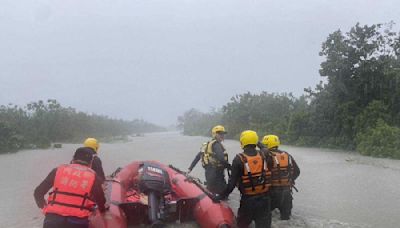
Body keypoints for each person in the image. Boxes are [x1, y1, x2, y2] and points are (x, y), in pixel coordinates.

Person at [34, 147, 107, 228]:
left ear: (73, 159)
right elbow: (101, 200)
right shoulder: (93, 176)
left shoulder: (58, 170)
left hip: (52, 220)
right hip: (77, 222)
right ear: (91, 163)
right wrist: (103, 211)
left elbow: (37, 193)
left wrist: (44, 207)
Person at [216, 130, 272, 228]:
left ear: (242, 142)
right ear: (256, 142)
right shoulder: (264, 154)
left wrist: (220, 196)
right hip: (265, 201)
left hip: (248, 202)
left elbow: (231, 185)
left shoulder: (238, 159)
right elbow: (265, 147)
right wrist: (256, 141)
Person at [262, 134, 300, 220]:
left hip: (271, 193)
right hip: (287, 193)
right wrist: (290, 180)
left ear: (267, 145)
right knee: (286, 220)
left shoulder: (266, 156)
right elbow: (297, 171)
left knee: (265, 218)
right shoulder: (287, 155)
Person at [188, 125, 230, 195]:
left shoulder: (206, 145)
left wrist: (190, 168)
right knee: (223, 195)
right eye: (220, 134)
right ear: (215, 134)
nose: (222, 135)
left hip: (209, 173)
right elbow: (221, 159)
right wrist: (230, 167)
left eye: (223, 134)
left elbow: (197, 157)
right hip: (217, 174)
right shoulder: (216, 145)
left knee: (211, 192)